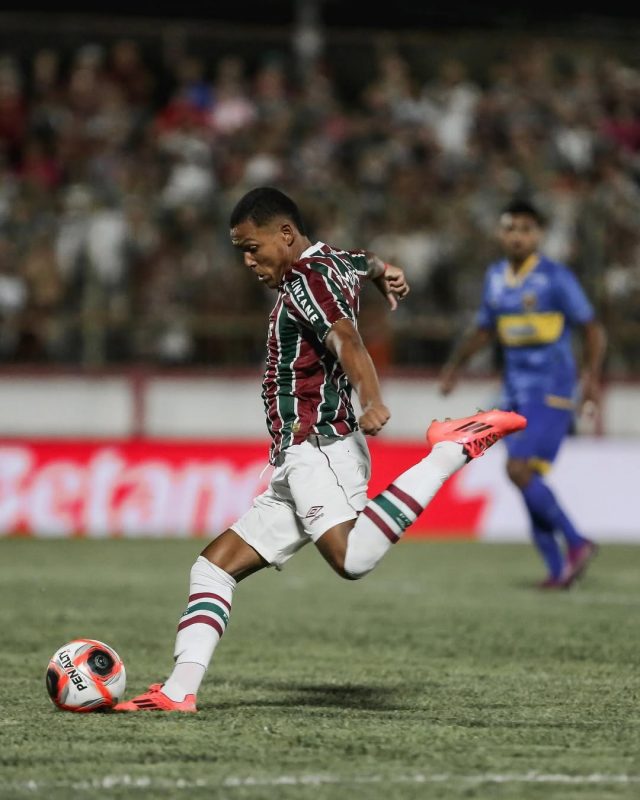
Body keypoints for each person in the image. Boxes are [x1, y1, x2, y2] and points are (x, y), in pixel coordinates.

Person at [115, 187, 525, 712]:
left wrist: (372, 398)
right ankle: (177, 692)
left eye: (252, 247)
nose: (248, 261)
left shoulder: (307, 281)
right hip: (298, 457)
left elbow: (347, 338)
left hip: (320, 446)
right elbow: (364, 261)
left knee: (351, 559)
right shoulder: (331, 261)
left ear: (285, 234)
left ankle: (449, 451)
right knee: (213, 569)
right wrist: (385, 272)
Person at [439, 198, 606, 590]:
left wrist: (592, 378)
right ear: (501, 233)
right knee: (522, 477)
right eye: (511, 228)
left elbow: (594, 329)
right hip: (514, 393)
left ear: (539, 235)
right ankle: (558, 570)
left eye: (526, 229)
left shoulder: (556, 277)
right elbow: (483, 329)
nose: (517, 236)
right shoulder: (496, 275)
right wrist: (454, 368)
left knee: (519, 471)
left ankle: (577, 542)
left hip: (552, 391)